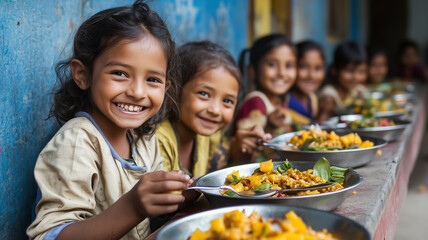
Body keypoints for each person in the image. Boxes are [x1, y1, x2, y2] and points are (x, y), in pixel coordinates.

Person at [27, 1, 193, 239]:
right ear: (83, 75)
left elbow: (157, 205)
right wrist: (132, 207)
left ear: (165, 88)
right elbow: (51, 235)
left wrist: (184, 191)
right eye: (120, 74)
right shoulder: (77, 144)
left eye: (153, 80)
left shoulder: (144, 140)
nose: (137, 92)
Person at [156, 41, 270, 177]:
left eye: (227, 101)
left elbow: (220, 179)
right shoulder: (158, 141)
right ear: (174, 90)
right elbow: (168, 197)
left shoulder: (208, 135)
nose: (215, 110)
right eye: (204, 94)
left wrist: (241, 152)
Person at [232, 33, 297, 137]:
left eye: (288, 66)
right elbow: (249, 146)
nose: (282, 73)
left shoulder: (278, 102)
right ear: (252, 70)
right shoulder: (256, 102)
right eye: (272, 65)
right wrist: (269, 127)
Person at [317, 41, 368, 122]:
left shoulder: (357, 90)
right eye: (349, 71)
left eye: (361, 72)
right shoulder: (329, 96)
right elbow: (321, 124)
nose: (355, 77)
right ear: (334, 70)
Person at [286, 40, 325, 125]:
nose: (311, 75)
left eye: (318, 68)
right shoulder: (284, 102)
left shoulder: (312, 99)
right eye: (303, 67)